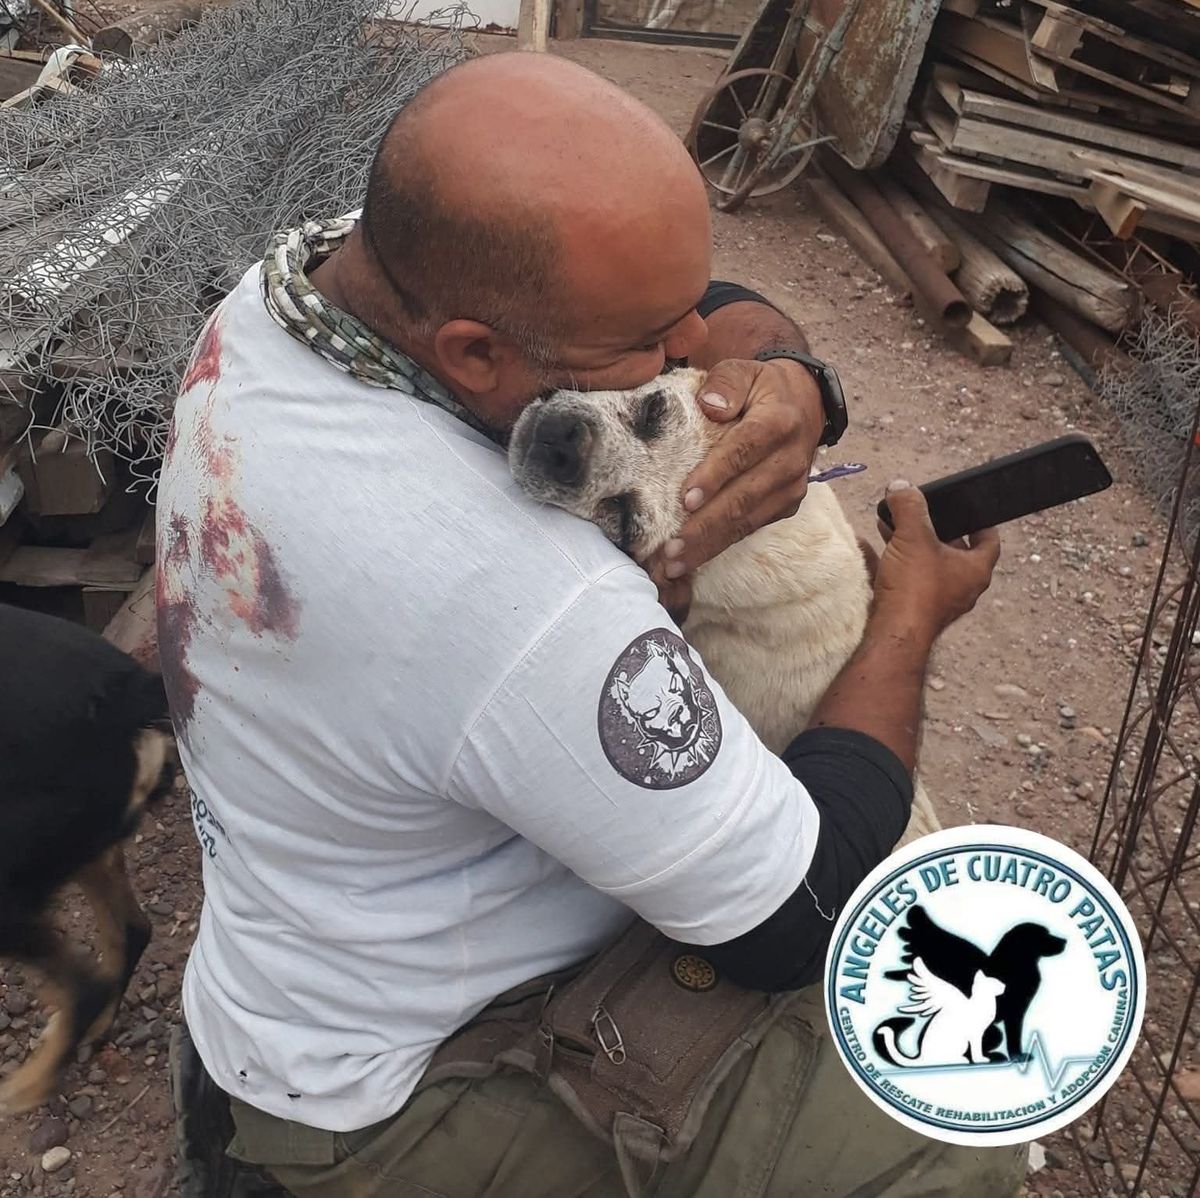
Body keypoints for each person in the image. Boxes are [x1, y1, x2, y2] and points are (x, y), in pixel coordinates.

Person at [158, 51, 1023, 1197]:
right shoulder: (515, 588)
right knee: (957, 1118)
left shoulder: (296, 297)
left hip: (290, 975)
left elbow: (714, 312)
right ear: (477, 352)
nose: (691, 360)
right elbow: (795, 913)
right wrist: (906, 617)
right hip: (393, 1097)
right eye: (652, 349)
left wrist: (790, 371)